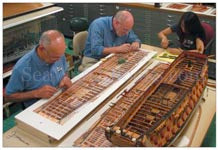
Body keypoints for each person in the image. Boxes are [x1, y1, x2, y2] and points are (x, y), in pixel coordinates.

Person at [5, 30, 73, 108]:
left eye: (60, 56)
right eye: (54, 57)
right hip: (37, 107)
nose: (58, 60)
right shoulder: (21, 68)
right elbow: (8, 96)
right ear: (42, 49)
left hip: (59, 98)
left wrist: (65, 77)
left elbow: (64, 72)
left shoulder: (58, 54)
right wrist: (36, 93)